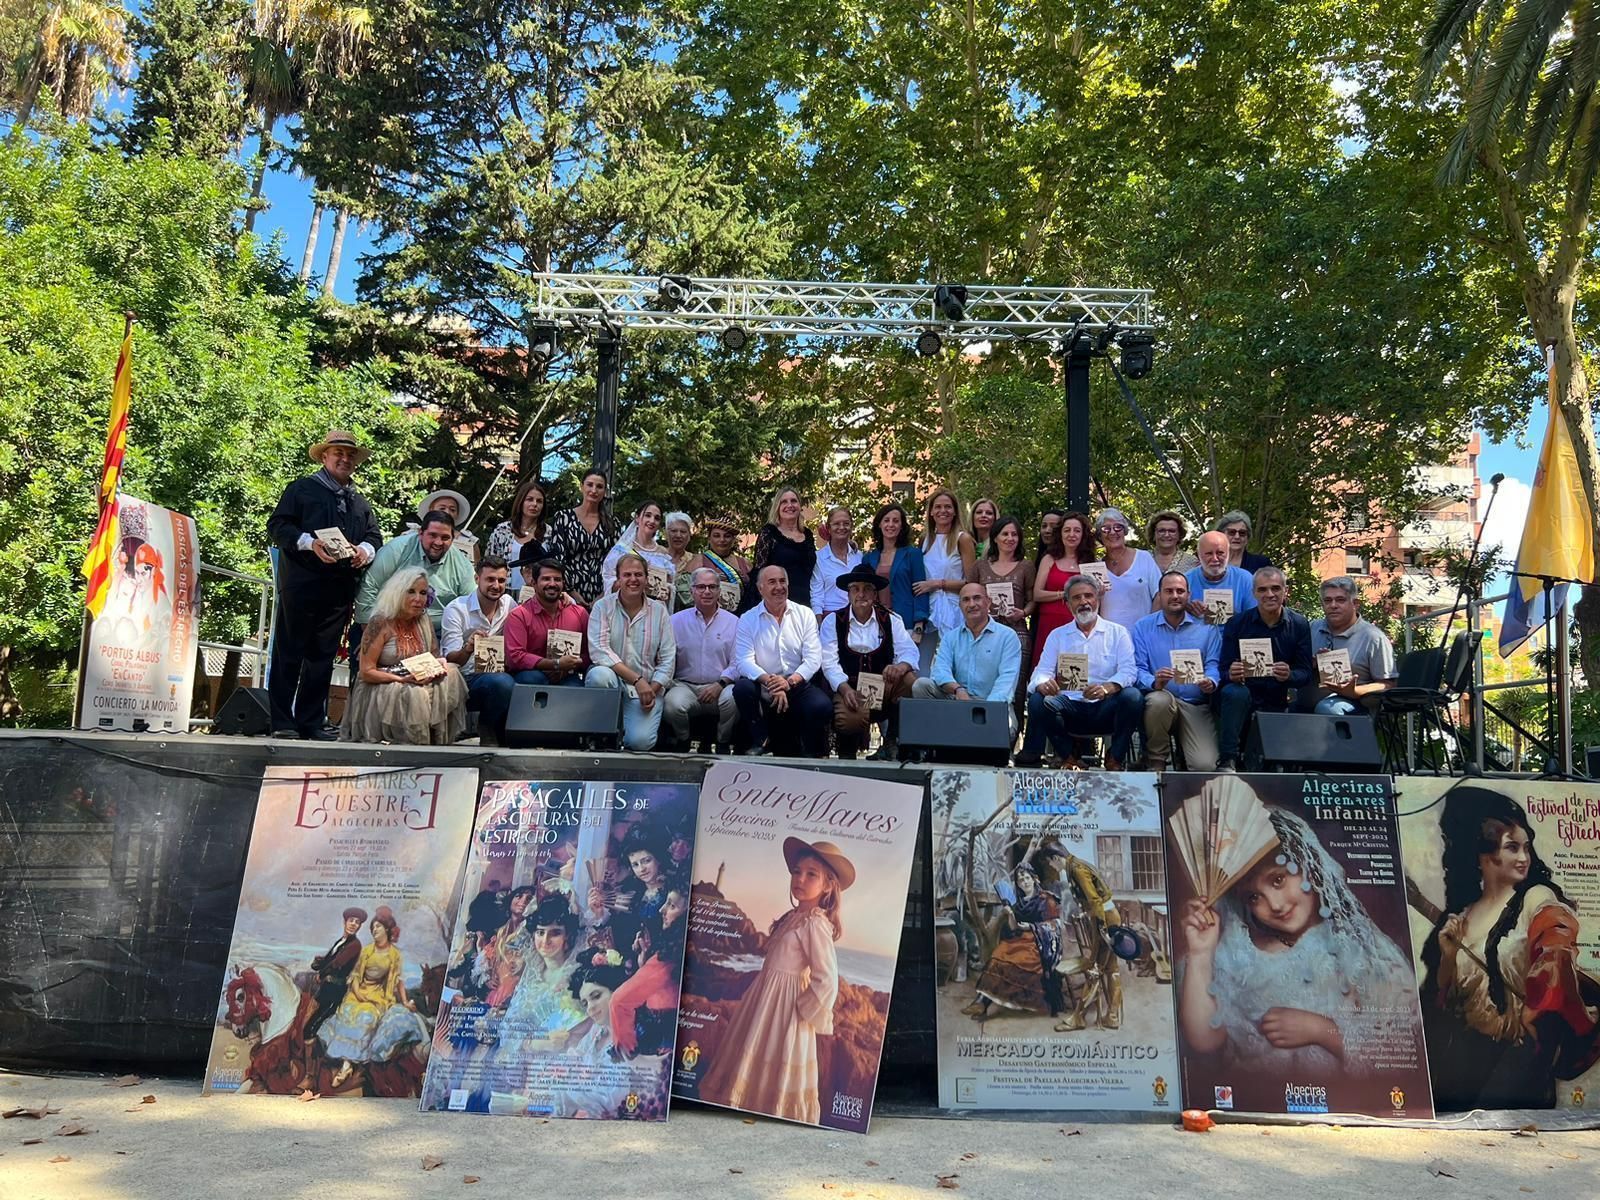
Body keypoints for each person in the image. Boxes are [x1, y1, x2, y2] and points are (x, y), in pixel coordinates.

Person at [1177, 789, 1419, 1093]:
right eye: (1254, 897)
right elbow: (1204, 1042)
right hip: (1255, 1106)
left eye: (1279, 879)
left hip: (1343, 1107)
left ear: (1309, 863)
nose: (1275, 904)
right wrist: (1201, 954)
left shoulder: (1358, 949)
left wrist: (1321, 1031)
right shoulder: (1238, 952)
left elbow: (1400, 1050)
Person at [1418, 788, 1600, 1110]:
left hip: (1517, 1058)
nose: (1524, 858)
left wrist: (1540, 1006)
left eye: (1526, 847)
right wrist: (1447, 956)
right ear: (1481, 856)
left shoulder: (1533, 897)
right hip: (1462, 1057)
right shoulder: (1465, 913)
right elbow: (1445, 998)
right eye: (1512, 847)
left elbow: (1556, 937)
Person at [697, 837, 851, 1125]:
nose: (800, 879)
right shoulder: (795, 917)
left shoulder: (815, 923)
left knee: (773, 1070)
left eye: (811, 874)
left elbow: (827, 978)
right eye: (796, 871)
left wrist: (802, 1010)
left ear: (829, 885)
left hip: (785, 1010)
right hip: (762, 1000)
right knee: (750, 1062)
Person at [265, 429, 382, 739]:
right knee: (290, 651)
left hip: (338, 589)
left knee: (323, 656)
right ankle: (281, 721)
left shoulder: (360, 502)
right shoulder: (301, 490)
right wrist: (309, 543)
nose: (345, 459)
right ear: (324, 456)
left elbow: (374, 537)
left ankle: (311, 721)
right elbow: (278, 526)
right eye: (338, 453)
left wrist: (365, 551)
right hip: (302, 584)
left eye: (350, 455)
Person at [1016, 575, 1139, 770]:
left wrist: (1107, 688)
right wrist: (1043, 683)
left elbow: (1129, 671)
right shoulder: (1057, 635)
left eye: (1088, 596)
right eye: (1076, 597)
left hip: (1104, 706)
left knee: (1133, 696)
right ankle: (1069, 755)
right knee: (1038, 700)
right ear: (1067, 603)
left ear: (1097, 599)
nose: (1083, 602)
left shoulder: (1118, 632)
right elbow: (1041, 672)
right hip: (1069, 706)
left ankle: (1115, 757)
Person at [341, 569, 468, 744]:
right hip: (385, 682)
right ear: (398, 592)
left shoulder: (424, 620)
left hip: (417, 676)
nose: (418, 599)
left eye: (423, 593)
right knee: (415, 694)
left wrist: (438, 665)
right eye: (411, 591)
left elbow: (433, 656)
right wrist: (401, 679)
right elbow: (366, 672)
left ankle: (436, 738)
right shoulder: (380, 622)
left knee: (452, 672)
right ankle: (413, 741)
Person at [317, 906, 428, 1091]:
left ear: (386, 930)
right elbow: (354, 977)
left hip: (378, 997)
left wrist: (406, 1001)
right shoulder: (367, 950)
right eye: (373, 928)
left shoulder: (394, 955)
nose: (374, 931)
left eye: (378, 927)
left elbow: (398, 981)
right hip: (358, 992)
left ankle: (350, 1065)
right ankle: (347, 1064)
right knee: (348, 1011)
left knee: (367, 1016)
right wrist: (359, 994)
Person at [1216, 567, 1314, 770]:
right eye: (1263, 590)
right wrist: (1232, 673)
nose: (1270, 594)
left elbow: (1305, 673)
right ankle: (1228, 759)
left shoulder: (1299, 624)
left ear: (1285, 591)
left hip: (1277, 698)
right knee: (1234, 692)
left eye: (1275, 588)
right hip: (1243, 697)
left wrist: (1289, 675)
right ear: (1254, 593)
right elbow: (1223, 670)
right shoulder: (1237, 623)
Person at [820, 565, 919, 759]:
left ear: (875, 594)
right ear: (848, 594)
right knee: (850, 721)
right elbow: (829, 662)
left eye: (867, 589)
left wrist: (900, 666)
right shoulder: (833, 621)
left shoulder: (891, 620)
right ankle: (847, 753)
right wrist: (844, 689)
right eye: (855, 588)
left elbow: (909, 651)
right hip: (850, 688)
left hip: (882, 687)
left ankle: (893, 740)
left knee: (910, 681)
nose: (861, 594)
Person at [733, 565, 831, 756]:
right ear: (760, 588)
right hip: (762, 685)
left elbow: (813, 657)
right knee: (742, 689)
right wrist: (771, 682)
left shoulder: (805, 614)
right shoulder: (747, 618)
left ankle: (809, 751)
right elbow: (743, 661)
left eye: (782, 581)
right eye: (772, 582)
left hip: (796, 683)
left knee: (822, 705)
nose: (779, 587)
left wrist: (789, 682)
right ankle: (761, 741)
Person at [587, 553, 676, 751]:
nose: (633, 580)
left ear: (646, 578)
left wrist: (651, 689)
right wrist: (637, 680)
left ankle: (630, 729)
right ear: (618, 579)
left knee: (640, 743)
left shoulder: (660, 611)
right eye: (627, 575)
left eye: (638, 574)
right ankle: (602, 735)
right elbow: (600, 651)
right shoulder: (602, 607)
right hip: (614, 680)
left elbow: (668, 658)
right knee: (599, 675)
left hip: (647, 688)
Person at [1133, 571, 1220, 772]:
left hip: (1195, 704)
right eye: (1169, 591)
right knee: (1158, 700)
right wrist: (1154, 682)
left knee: (1204, 766)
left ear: (1188, 594)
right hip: (1163, 701)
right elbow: (1137, 668)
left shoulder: (1207, 628)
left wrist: (1211, 681)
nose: (1175, 595)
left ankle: (1185, 758)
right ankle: (1157, 760)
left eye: (1180, 591)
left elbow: (1214, 664)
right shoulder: (1142, 627)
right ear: (1160, 595)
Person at [911, 583, 1023, 740]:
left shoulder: (1007, 637)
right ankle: (934, 743)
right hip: (957, 700)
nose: (972, 604)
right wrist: (958, 690)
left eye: (977, 598)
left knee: (1006, 729)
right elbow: (939, 671)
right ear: (960, 606)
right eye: (966, 600)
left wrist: (981, 712)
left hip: (991, 704)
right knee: (921, 686)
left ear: (988, 602)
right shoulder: (950, 637)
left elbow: (1006, 682)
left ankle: (990, 744)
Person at [1033, 840, 1123, 1031]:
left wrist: (1102, 930)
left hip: (1105, 919)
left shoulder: (1077, 870)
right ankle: (1113, 1016)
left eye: (1050, 863)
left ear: (1056, 858)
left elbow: (1096, 900)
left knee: (1094, 969)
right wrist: (1088, 914)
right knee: (1111, 968)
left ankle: (1079, 1017)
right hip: (1109, 916)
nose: (1051, 867)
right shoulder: (1077, 865)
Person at [963, 864, 1063, 1021]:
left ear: (1034, 879)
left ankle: (983, 1003)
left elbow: (1055, 926)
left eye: (1027, 878)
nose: (1024, 882)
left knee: (1017, 960)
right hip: (1021, 939)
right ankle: (981, 1003)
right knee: (999, 953)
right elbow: (1013, 927)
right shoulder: (1019, 902)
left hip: (1041, 943)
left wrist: (1031, 927)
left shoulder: (1047, 900)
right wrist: (1010, 914)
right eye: (1020, 880)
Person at [354, 510, 475, 634]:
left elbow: (471, 603)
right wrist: (369, 632)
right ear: (420, 533)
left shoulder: (462, 565)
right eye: (433, 535)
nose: (438, 542)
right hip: (387, 627)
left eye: (445, 538)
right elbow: (369, 587)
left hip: (437, 633)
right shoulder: (396, 550)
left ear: (452, 539)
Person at [440, 554, 518, 741]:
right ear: (477, 579)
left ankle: (497, 731)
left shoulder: (509, 604)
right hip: (464, 678)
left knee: (518, 678)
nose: (496, 585)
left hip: (498, 672)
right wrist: (467, 649)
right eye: (490, 579)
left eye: (501, 580)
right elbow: (450, 659)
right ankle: (488, 732)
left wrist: (566, 598)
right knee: (502, 682)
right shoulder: (457, 609)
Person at [664, 567, 740, 750]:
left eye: (712, 587)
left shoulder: (734, 622)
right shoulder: (675, 621)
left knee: (734, 699)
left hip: (720, 686)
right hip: (686, 686)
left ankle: (722, 741)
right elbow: (665, 657)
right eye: (701, 587)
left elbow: (739, 661)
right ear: (692, 591)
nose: (707, 591)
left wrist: (720, 684)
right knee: (672, 704)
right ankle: (684, 739)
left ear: (719, 591)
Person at [1299, 576, 1396, 715]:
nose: (1333, 605)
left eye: (1340, 600)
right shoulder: (1312, 628)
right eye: (1328, 600)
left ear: (1355, 603)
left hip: (1354, 704)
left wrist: (1354, 691)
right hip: (1308, 702)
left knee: (1327, 709)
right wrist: (1311, 663)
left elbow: (1388, 685)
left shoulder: (1373, 637)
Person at [967, 516, 1035, 706]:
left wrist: (1022, 613)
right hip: (984, 633)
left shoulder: (1026, 566)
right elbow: (968, 595)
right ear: (995, 537)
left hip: (1017, 631)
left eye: (1014, 534)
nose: (1010, 538)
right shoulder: (980, 566)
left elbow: (1032, 601)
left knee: (1016, 688)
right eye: (1005, 534)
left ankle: (1013, 731)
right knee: (984, 683)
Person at [913, 488, 977, 674]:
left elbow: (970, 583)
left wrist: (937, 584)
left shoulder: (962, 539)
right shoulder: (924, 539)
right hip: (929, 608)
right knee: (922, 665)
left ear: (955, 511)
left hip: (954, 607)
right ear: (931, 511)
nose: (943, 511)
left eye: (948, 507)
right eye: (938, 507)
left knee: (956, 662)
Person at [503, 555, 589, 685]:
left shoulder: (579, 613)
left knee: (575, 687)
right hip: (531, 675)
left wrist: (572, 664)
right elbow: (515, 657)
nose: (552, 584)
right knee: (534, 679)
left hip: (568, 674)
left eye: (557, 579)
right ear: (534, 583)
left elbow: (589, 653)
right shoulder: (519, 615)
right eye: (546, 579)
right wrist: (554, 664)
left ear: (563, 583)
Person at [545, 467, 620, 606]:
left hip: (603, 594)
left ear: (605, 491)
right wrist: (572, 593)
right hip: (567, 593)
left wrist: (604, 595)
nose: (594, 490)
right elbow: (558, 558)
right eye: (590, 484)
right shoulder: (563, 518)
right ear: (581, 487)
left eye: (599, 486)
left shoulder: (612, 523)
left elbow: (616, 561)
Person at [1031, 510, 1095, 668]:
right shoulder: (1049, 558)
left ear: (1083, 535)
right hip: (1049, 621)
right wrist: (1066, 594)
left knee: (1074, 672)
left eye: (1077, 530)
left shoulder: (1090, 562)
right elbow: (1037, 594)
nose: (1072, 534)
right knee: (1047, 671)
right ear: (1060, 533)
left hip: (1078, 623)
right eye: (1067, 530)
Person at [861, 502, 929, 646]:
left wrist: (919, 626)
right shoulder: (869, 558)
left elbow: (920, 590)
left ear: (902, 526)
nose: (891, 524)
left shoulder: (913, 554)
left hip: (906, 622)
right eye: (886, 520)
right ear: (879, 524)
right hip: (876, 622)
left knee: (905, 667)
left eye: (896, 521)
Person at [744, 487, 816, 613]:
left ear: (799, 506)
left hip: (804, 603)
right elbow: (759, 572)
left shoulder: (808, 535)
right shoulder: (769, 533)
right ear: (777, 506)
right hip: (777, 602)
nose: (790, 505)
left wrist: (848, 544)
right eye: (784, 502)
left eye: (794, 501)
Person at [306, 907, 367, 1044]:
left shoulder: (354, 945)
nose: (353, 924)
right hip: (327, 986)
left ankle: (311, 1047)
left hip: (335, 989)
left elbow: (337, 963)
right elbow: (331, 959)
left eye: (357, 922)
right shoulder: (341, 941)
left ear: (359, 926)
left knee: (312, 1025)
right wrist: (320, 962)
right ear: (344, 922)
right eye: (351, 920)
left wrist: (321, 974)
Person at [1094, 507, 1161, 629]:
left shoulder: (1144, 558)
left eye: (1118, 527)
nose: (1113, 532)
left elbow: (1159, 595)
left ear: (1124, 531)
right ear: (1100, 535)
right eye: (1106, 529)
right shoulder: (1096, 568)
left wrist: (1150, 628)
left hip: (1141, 637)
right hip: (1108, 640)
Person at [601, 500, 675, 599]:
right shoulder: (622, 550)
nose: (652, 521)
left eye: (657, 518)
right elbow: (609, 583)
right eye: (648, 515)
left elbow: (669, 588)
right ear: (637, 518)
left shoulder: (663, 554)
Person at [1185, 530, 1256, 623]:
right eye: (1209, 553)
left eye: (1220, 553)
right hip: (1197, 637)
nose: (1215, 559)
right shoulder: (1185, 581)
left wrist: (1233, 616)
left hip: (1235, 635)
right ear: (1199, 554)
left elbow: (1255, 619)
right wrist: (1185, 608)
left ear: (1228, 553)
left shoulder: (1245, 579)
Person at [484, 476, 550, 575]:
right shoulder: (503, 530)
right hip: (505, 588)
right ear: (520, 502)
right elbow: (490, 564)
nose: (535, 504)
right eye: (529, 499)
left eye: (539, 501)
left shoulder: (549, 532)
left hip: (539, 589)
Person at [809, 505, 862, 618]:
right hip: (831, 619)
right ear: (828, 528)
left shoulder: (859, 557)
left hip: (858, 619)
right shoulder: (819, 558)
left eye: (846, 523)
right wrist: (819, 625)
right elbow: (816, 597)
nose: (841, 527)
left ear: (851, 526)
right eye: (836, 524)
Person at [701, 513, 751, 609]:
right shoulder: (698, 561)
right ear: (709, 538)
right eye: (716, 536)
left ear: (733, 540)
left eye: (727, 536)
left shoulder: (745, 563)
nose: (722, 540)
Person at [663, 512, 701, 611]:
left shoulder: (697, 561)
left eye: (683, 531)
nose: (678, 535)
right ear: (666, 533)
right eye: (674, 531)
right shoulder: (657, 558)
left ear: (689, 536)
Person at [1146, 510, 1198, 574]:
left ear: (1179, 534)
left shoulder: (1192, 562)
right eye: (1161, 531)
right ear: (1153, 534)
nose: (1166, 535)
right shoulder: (1142, 559)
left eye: (1172, 531)